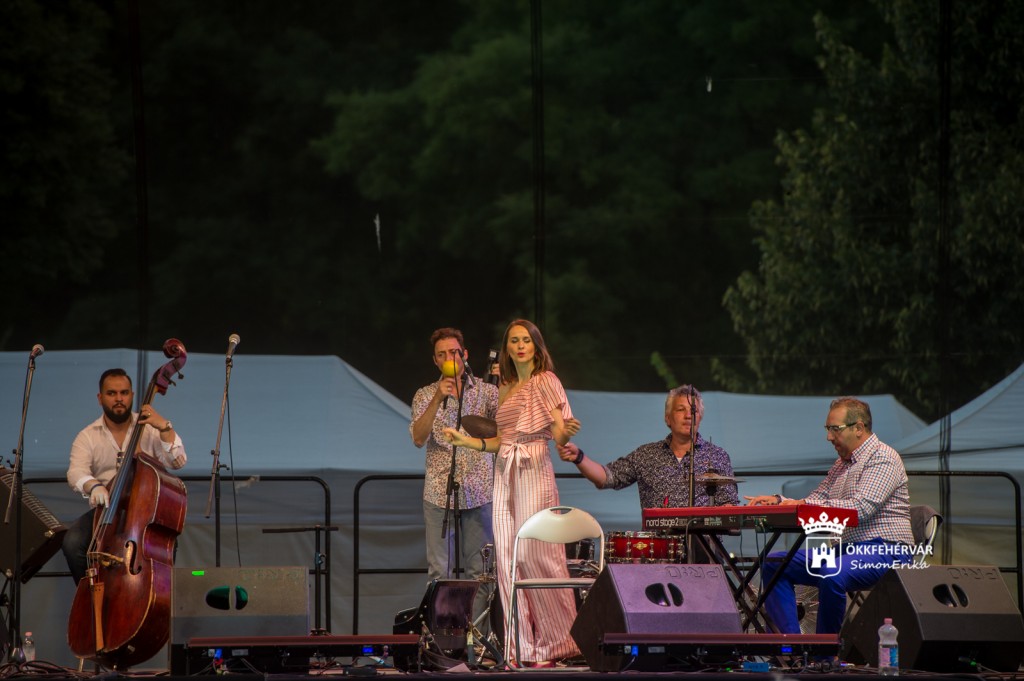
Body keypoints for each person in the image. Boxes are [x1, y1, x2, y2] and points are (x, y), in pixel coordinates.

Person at [444, 319, 581, 667]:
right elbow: (500, 441)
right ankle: (520, 648)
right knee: (507, 558)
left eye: (526, 340)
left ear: (536, 346)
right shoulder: (506, 388)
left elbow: (558, 431)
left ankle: (557, 643)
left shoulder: (546, 380)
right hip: (505, 468)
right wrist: (467, 442)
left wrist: (565, 434)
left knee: (536, 553)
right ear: (506, 348)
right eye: (514, 341)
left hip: (533, 463)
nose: (520, 346)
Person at [745, 396, 915, 634]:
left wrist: (803, 505)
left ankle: (824, 651)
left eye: (835, 429)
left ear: (859, 428)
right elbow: (817, 498)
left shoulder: (883, 457)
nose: (829, 437)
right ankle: (792, 644)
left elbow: (860, 509)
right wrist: (779, 501)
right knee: (774, 564)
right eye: (827, 429)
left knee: (831, 573)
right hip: (844, 552)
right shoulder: (842, 464)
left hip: (886, 550)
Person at [409, 327, 499, 635]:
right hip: (439, 494)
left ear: (465, 354)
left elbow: (505, 431)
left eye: (454, 352)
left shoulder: (487, 392)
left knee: (481, 573)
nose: (450, 358)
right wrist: (438, 396)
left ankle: (479, 641)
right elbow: (418, 438)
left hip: (480, 492)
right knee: (440, 572)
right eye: (442, 354)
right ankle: (442, 641)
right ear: (435, 361)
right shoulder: (424, 394)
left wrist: (505, 383)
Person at [63, 368, 187, 584]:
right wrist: (93, 485)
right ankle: (90, 595)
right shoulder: (87, 436)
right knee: (72, 542)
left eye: (124, 393)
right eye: (111, 393)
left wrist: (165, 428)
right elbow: (76, 472)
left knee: (164, 544)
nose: (119, 398)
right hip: (106, 511)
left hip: (145, 512)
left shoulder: (149, 428)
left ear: (132, 395)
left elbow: (177, 462)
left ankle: (153, 595)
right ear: (100, 398)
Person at [557, 384, 739, 511]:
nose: (688, 416)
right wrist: (579, 457)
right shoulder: (647, 454)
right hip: (659, 548)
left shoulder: (717, 456)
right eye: (680, 409)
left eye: (694, 411)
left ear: (700, 418)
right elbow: (607, 478)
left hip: (704, 547)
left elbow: (729, 506)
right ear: (667, 418)